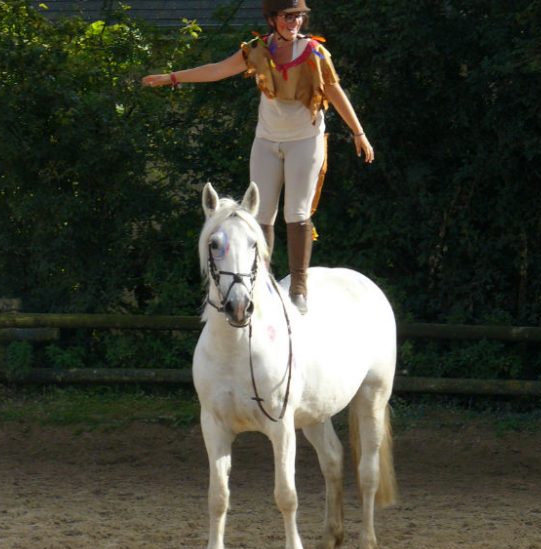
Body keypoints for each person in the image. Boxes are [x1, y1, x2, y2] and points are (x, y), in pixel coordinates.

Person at [142, 0, 374, 314]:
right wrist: (173, 77)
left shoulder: (315, 54)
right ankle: (261, 281)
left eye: (298, 16)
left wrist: (358, 133)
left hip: (305, 139)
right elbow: (218, 70)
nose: (294, 22)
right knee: (260, 214)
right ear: (272, 19)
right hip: (267, 139)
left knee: (297, 212)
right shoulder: (257, 50)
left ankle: (299, 289)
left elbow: (333, 90)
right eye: (287, 16)